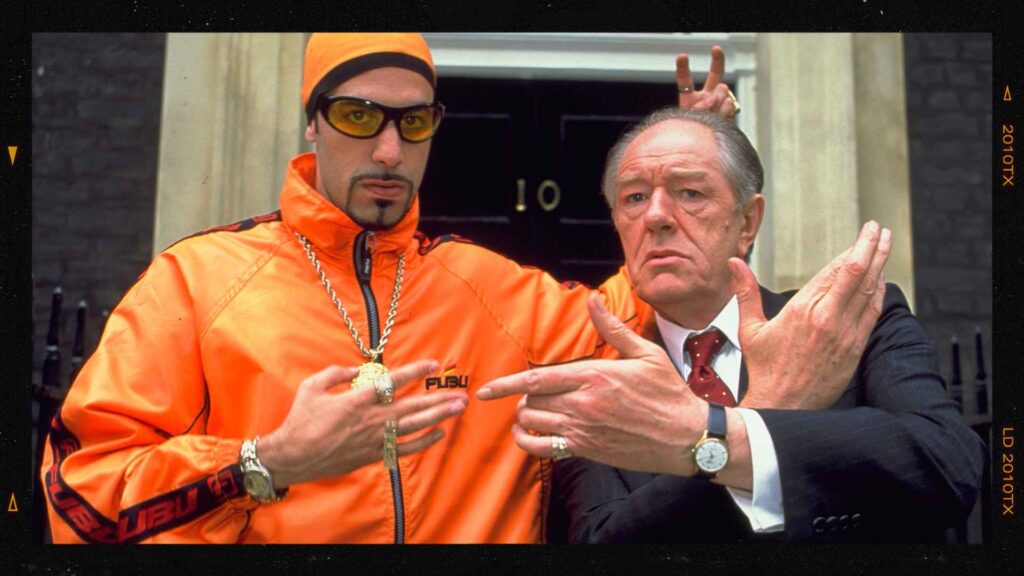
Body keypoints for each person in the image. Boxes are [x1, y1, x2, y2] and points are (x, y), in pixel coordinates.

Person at [40, 34, 875, 544]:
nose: (390, 151)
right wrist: (266, 462)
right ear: (313, 122)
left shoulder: (488, 290)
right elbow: (77, 498)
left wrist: (699, 154)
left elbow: (642, 299)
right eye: (359, 117)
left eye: (415, 122)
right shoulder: (197, 281)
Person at [477, 108, 987, 542]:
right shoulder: (596, 384)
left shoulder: (846, 321)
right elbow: (602, 540)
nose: (655, 216)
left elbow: (947, 467)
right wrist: (772, 409)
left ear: (747, 222)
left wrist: (720, 437)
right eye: (634, 198)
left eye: (689, 192)